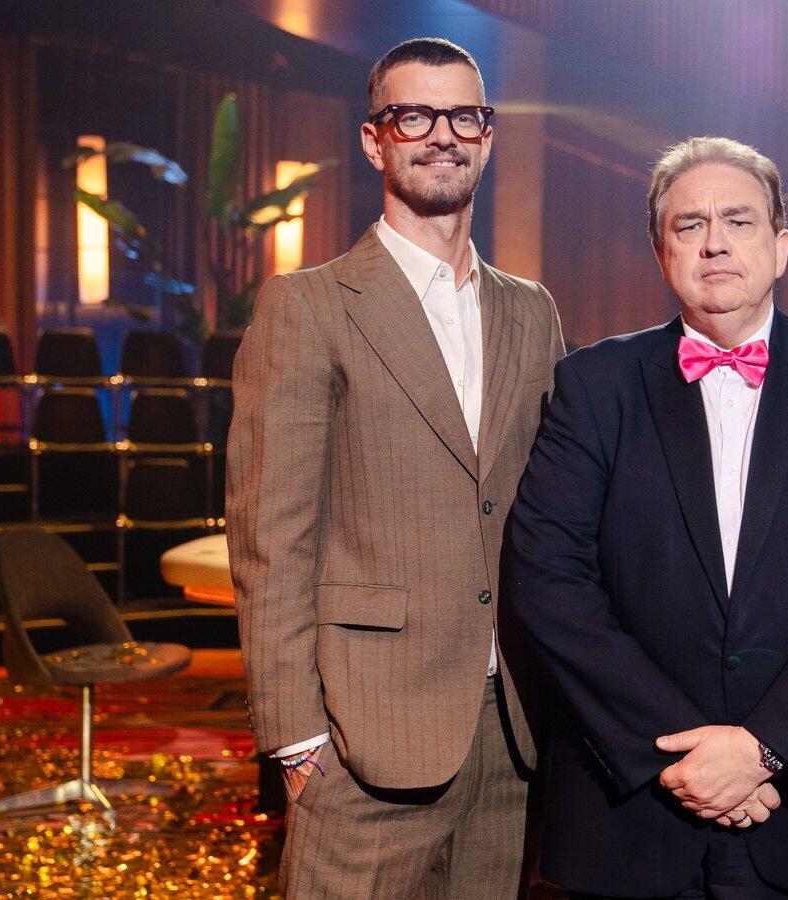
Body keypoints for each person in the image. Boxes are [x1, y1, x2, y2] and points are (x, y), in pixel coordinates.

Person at [505, 136, 788, 898]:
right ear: (661, 251)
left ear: (781, 246)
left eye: (739, 221)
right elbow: (546, 577)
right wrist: (681, 756)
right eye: (689, 224)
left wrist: (766, 748)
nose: (714, 243)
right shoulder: (593, 385)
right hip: (633, 809)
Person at [228, 37, 562, 897]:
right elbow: (271, 539)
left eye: (464, 116)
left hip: (512, 732)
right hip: (362, 736)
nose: (442, 135)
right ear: (375, 141)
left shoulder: (532, 312)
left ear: (488, 136)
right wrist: (295, 740)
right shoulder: (307, 306)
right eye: (415, 116)